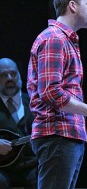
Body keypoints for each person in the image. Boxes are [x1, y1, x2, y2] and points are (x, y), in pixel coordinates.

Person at [26, 0, 87, 189]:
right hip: (57, 134)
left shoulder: (65, 40)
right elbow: (50, 92)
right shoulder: (54, 39)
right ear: (73, 5)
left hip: (67, 134)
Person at [0, 58, 37, 189]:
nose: (9, 78)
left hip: (32, 167)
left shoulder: (34, 103)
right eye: (4, 75)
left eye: (13, 74)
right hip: (2, 170)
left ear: (19, 76)